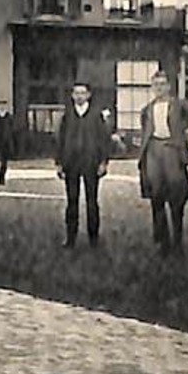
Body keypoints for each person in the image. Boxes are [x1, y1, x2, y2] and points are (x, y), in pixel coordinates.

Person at [139, 71, 188, 252]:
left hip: (172, 149)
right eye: (156, 84)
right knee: (156, 196)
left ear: (168, 86)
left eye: (162, 84)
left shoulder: (178, 105)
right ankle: (163, 241)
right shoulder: (147, 110)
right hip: (153, 150)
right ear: (152, 88)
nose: (159, 88)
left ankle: (177, 240)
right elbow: (145, 132)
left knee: (176, 194)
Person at [55, 81, 112, 248]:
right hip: (71, 163)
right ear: (72, 95)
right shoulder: (67, 115)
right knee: (71, 201)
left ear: (88, 95)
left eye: (82, 93)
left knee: (91, 200)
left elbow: (104, 140)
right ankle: (70, 237)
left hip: (91, 163)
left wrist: (103, 162)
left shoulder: (96, 115)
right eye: (76, 93)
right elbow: (60, 140)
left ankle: (93, 238)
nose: (79, 96)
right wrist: (59, 163)